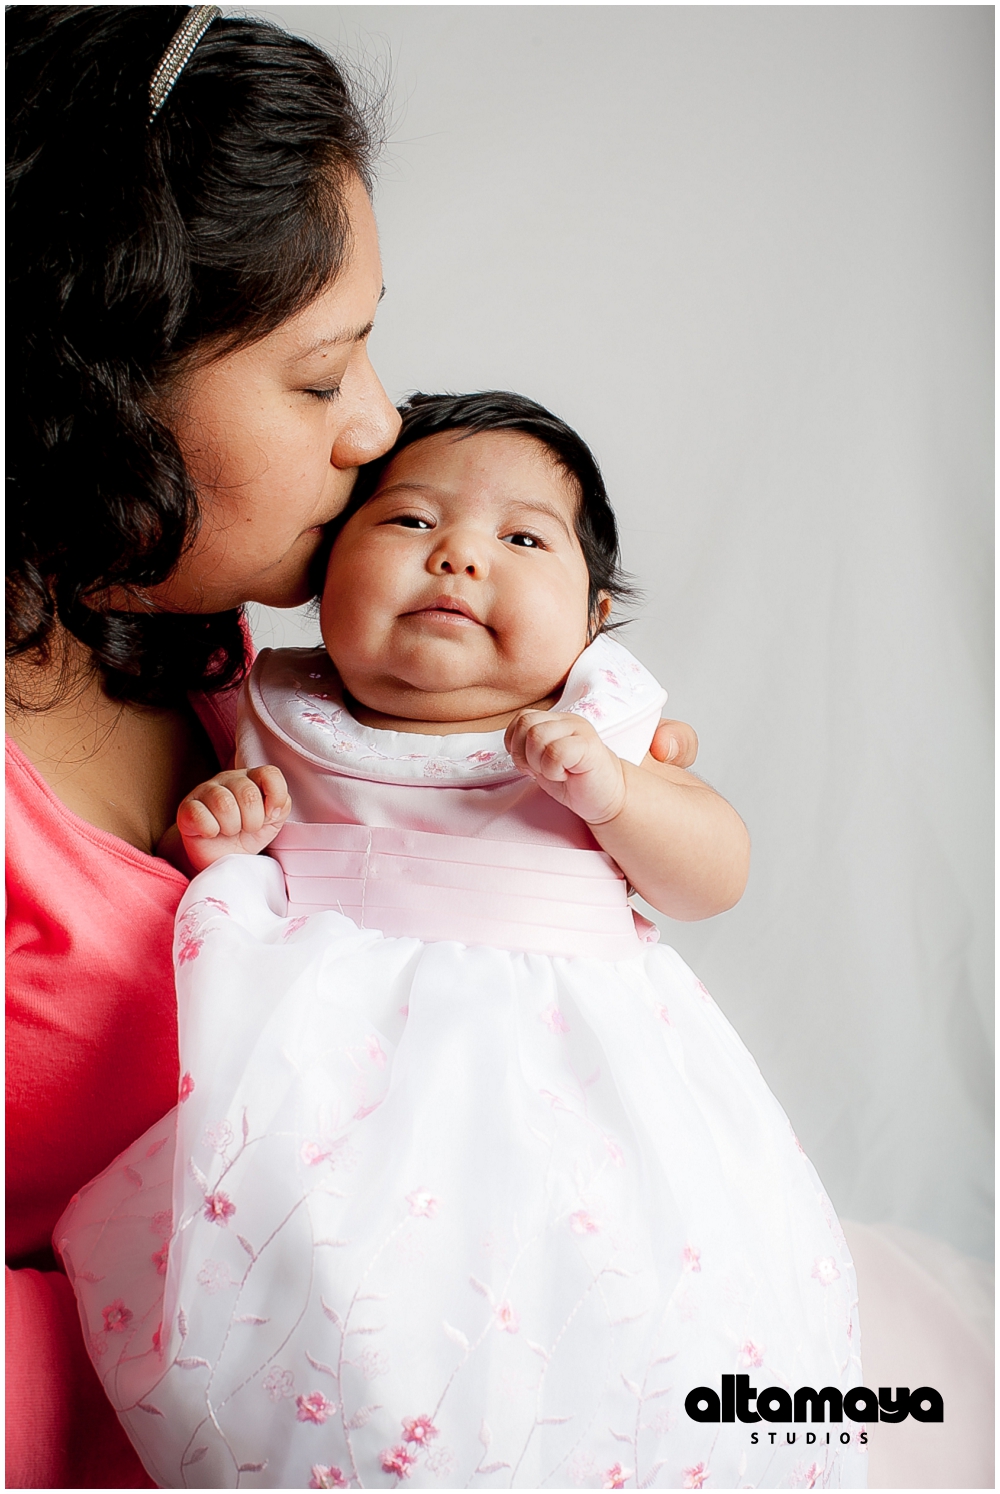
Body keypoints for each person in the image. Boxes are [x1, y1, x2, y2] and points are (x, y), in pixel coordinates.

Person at [5, 13, 695, 1488]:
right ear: (88, 400)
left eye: (369, 343)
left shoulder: (215, 646)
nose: (380, 425)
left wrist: (575, 802)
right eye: (320, 377)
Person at [56, 393, 866, 1490]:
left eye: (522, 540)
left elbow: (713, 874)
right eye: (407, 521)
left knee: (605, 1301)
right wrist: (215, 839)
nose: (458, 556)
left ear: (593, 619)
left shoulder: (606, 731)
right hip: (330, 1099)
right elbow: (184, 887)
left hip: (572, 1090)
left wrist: (617, 795)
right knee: (340, 1321)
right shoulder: (273, 711)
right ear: (323, 575)